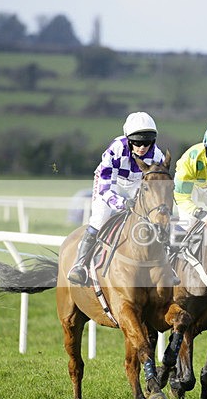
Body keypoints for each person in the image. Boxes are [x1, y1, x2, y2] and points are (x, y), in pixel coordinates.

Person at [67, 111, 166, 285]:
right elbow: (106, 190)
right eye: (137, 142)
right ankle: (80, 265)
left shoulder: (158, 156)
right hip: (112, 183)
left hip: (137, 184)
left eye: (147, 142)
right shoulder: (116, 149)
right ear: (129, 139)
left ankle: (165, 266)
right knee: (100, 219)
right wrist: (122, 203)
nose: (142, 147)